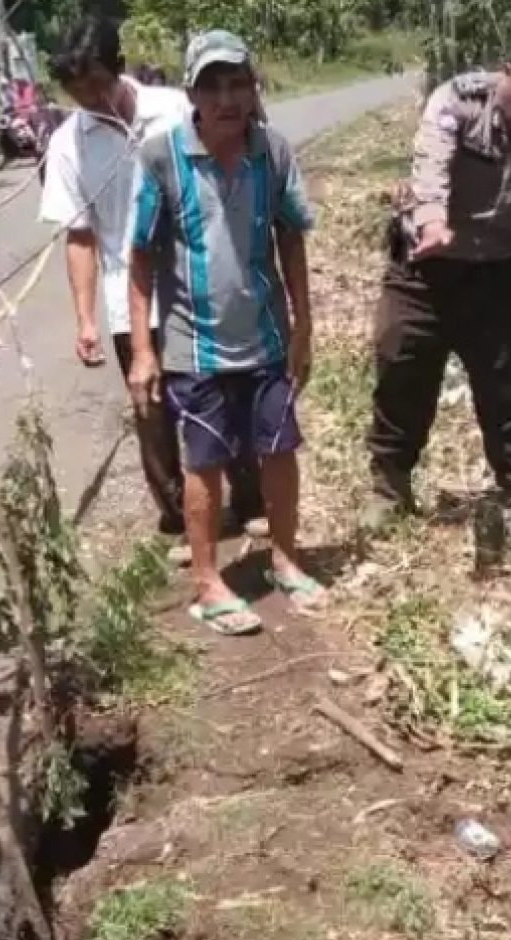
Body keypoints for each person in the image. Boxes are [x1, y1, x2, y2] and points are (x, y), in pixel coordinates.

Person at [364, 23, 511, 543]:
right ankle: (389, 486)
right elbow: (431, 163)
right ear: (506, 72)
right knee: (401, 372)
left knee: (509, 394)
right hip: (425, 270)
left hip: (500, 278)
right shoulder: (459, 101)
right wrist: (431, 221)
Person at [39, 15, 264, 557]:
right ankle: (180, 520)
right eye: (77, 91)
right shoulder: (69, 144)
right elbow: (80, 235)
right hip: (130, 301)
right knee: (153, 411)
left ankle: (252, 501)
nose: (91, 98)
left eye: (97, 83)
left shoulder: (176, 109)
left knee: (229, 391)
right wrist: (86, 317)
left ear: (118, 68)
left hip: (203, 282)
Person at [129, 30, 324, 637]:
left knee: (279, 450)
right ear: (191, 94)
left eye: (238, 82)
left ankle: (285, 560)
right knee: (204, 464)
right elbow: (139, 257)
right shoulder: (162, 158)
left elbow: (290, 238)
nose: (227, 98)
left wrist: (303, 328)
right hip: (195, 346)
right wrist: (141, 350)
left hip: (266, 338)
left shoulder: (273, 153)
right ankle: (209, 583)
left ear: (252, 88)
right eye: (212, 86)